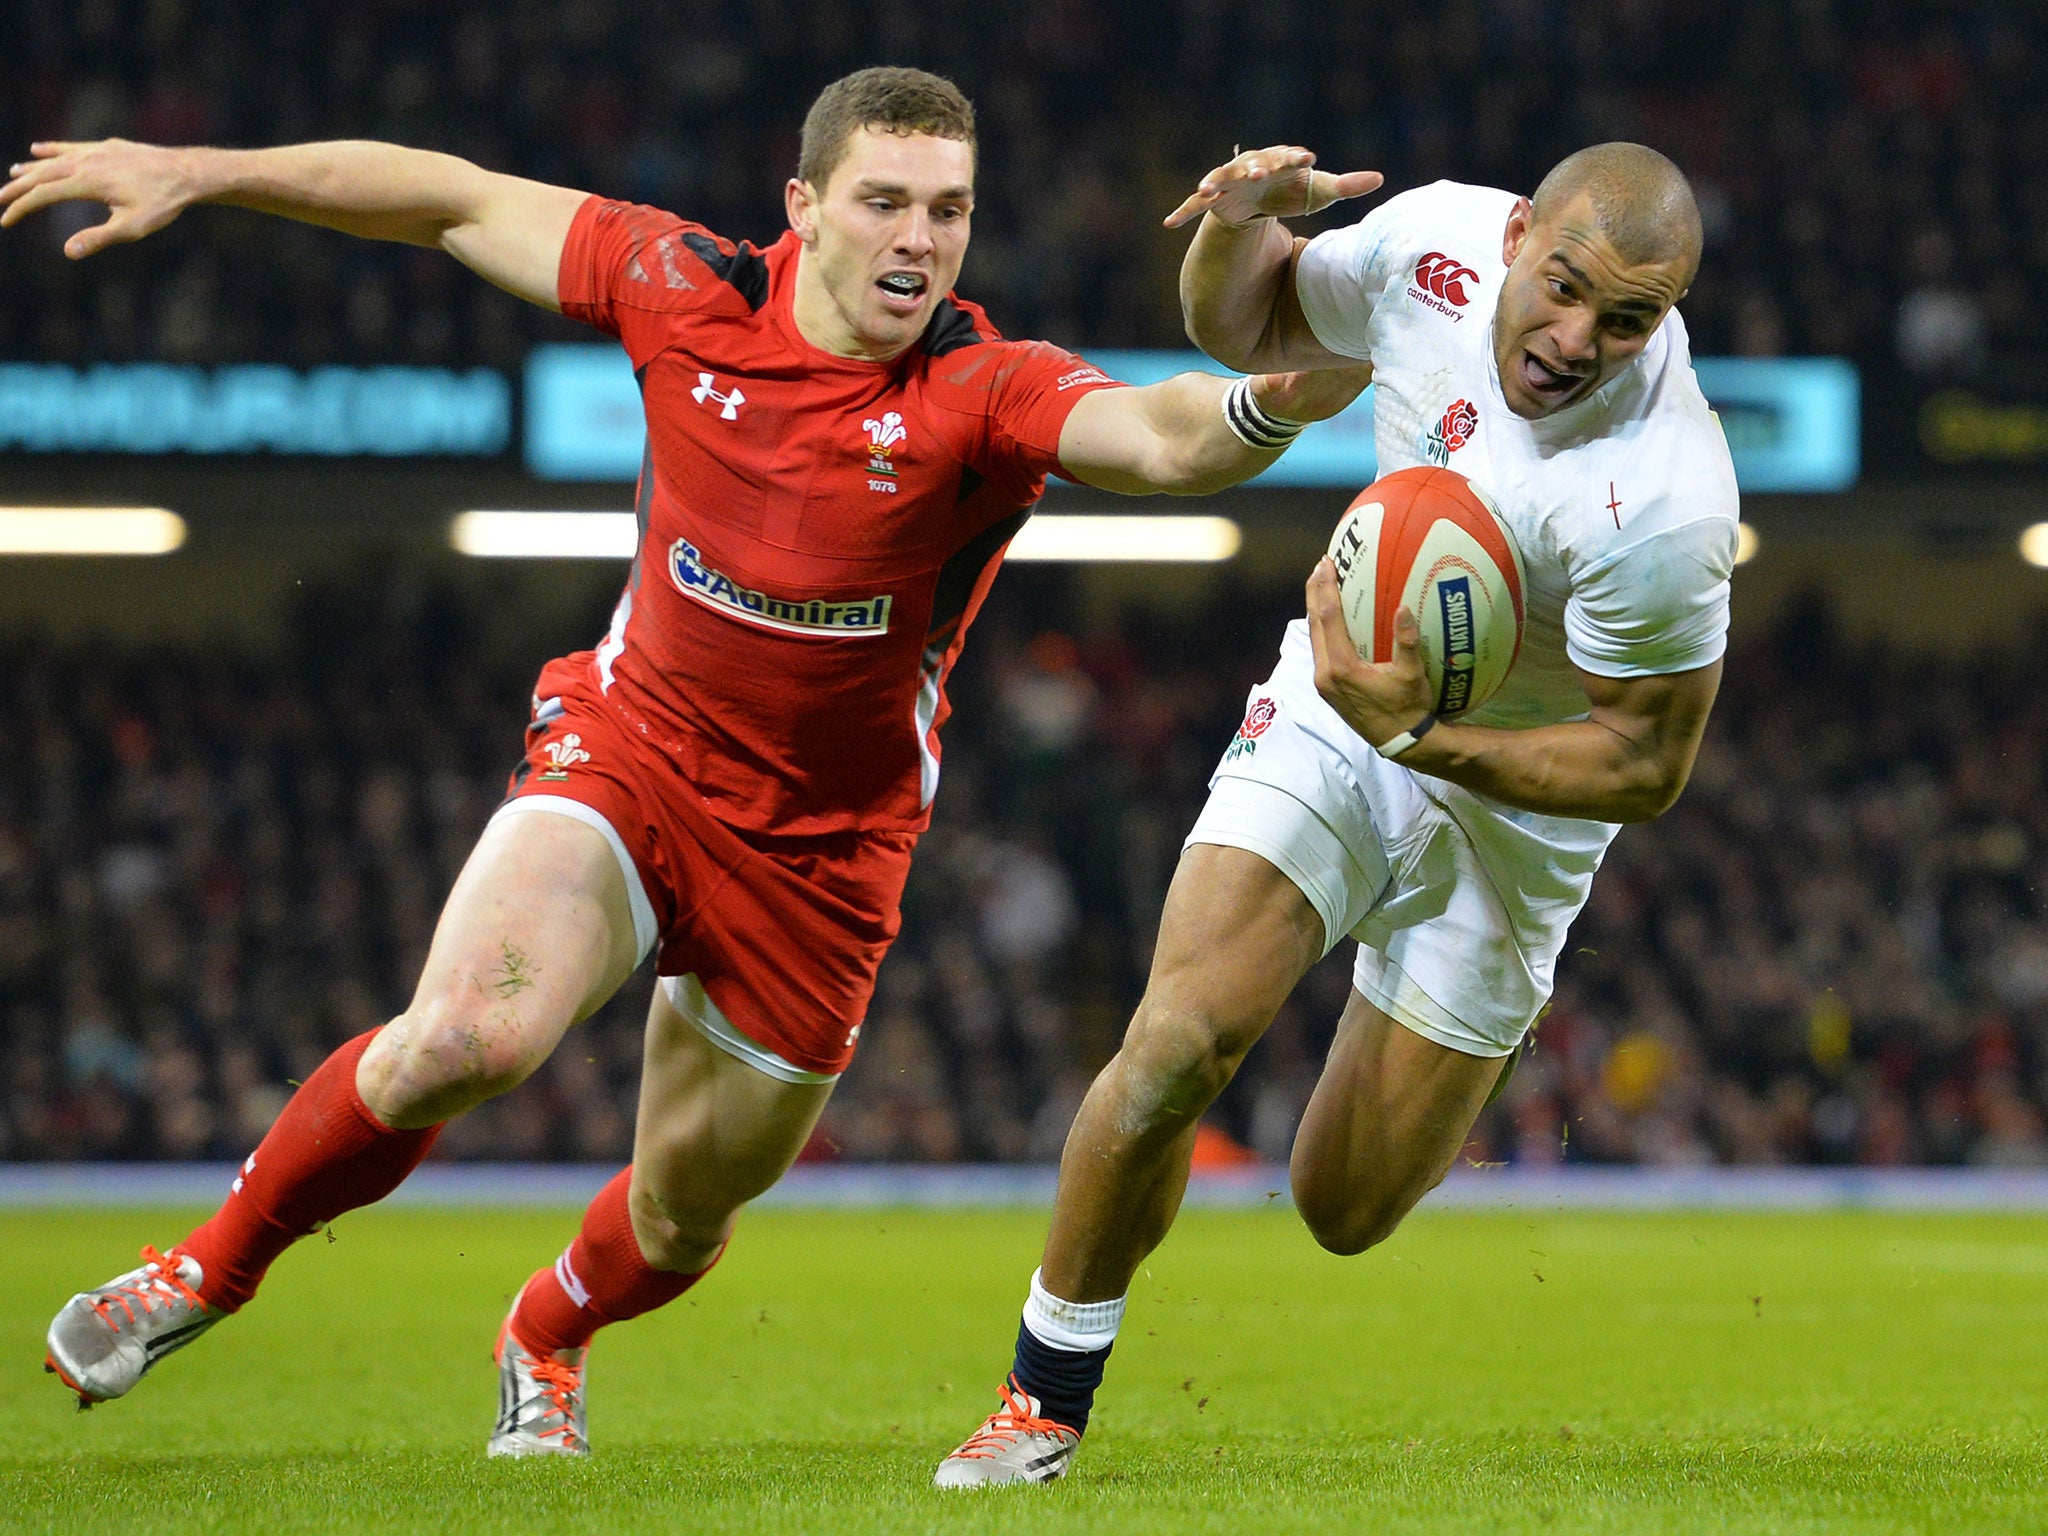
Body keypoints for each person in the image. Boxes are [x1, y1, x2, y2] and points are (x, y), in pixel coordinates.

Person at [6, 68, 1368, 1456]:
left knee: (681, 1214)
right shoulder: (681, 287)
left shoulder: (979, 388)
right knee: (466, 1037)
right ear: (804, 207)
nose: (918, 239)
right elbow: (452, 199)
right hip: (632, 757)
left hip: (826, 856)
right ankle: (201, 1270)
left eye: (948, 212)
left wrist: (1291, 394)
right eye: (884, 202)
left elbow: (1153, 431)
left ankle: (547, 1328)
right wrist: (207, 170)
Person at [934, 141, 1738, 1486]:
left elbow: (1645, 767)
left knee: (1342, 1208)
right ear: (1519, 231)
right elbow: (1244, 319)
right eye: (1565, 287)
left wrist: (1430, 738)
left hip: (1515, 816)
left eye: (1626, 319)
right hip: (1339, 701)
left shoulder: (1665, 496)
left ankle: (1416, 996)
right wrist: (1232, 229)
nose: (1577, 338)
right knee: (1181, 1040)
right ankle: (1041, 1400)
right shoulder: (1433, 244)